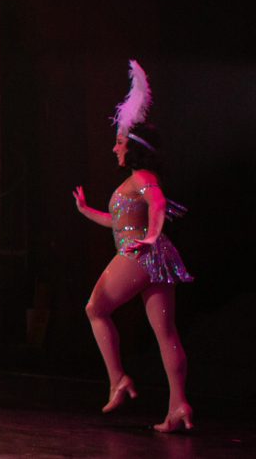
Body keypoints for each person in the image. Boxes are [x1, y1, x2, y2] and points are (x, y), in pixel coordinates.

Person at [72, 60, 193, 432]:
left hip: (139, 254)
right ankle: (179, 406)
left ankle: (118, 379)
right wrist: (85, 210)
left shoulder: (141, 176)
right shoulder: (136, 179)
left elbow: (157, 204)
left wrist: (153, 236)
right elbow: (117, 222)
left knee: (95, 308)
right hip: (150, 254)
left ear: (133, 147)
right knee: (166, 332)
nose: (114, 148)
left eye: (120, 142)